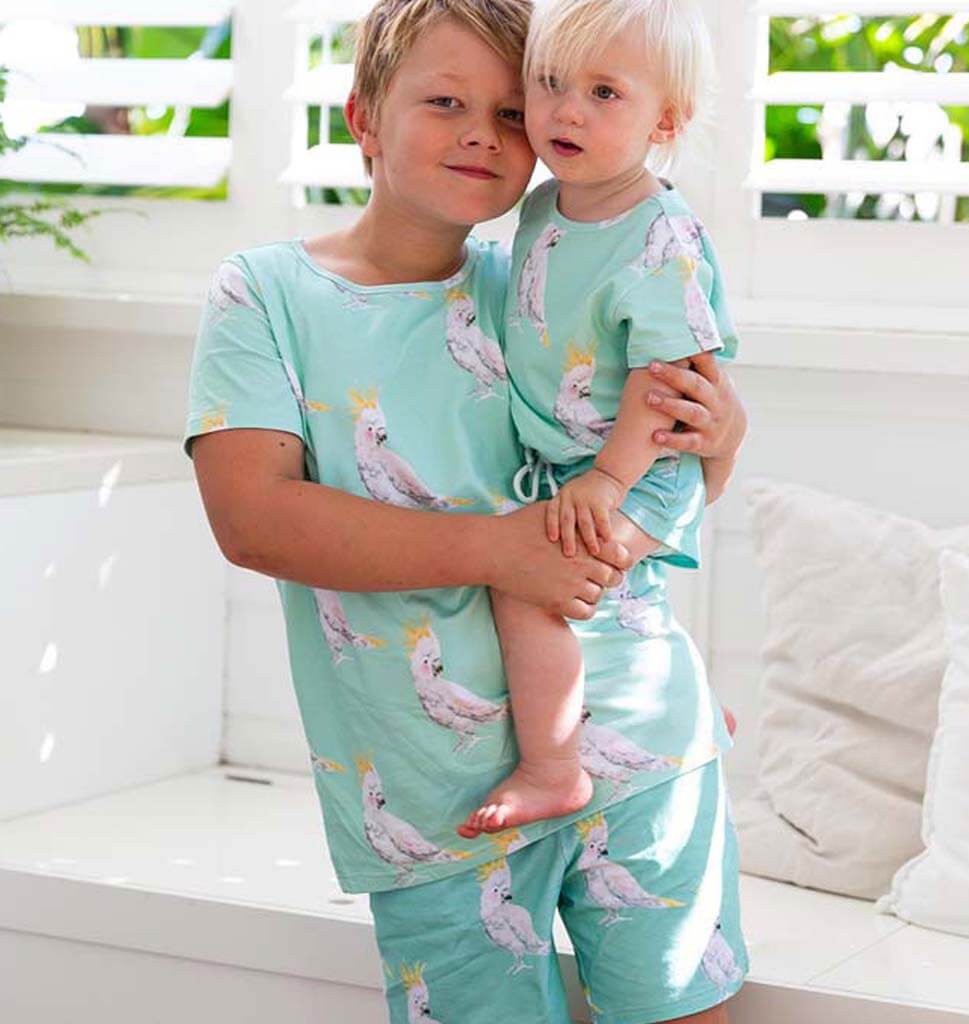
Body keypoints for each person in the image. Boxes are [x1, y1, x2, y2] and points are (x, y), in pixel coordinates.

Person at [184, 0, 749, 1019]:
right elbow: (253, 518)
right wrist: (502, 552)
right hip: (433, 792)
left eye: (508, 109)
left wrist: (724, 434)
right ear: (363, 116)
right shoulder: (264, 293)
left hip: (635, 739)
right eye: (445, 102)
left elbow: (664, 471)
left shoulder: (558, 273)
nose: (485, 133)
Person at [459, 0, 740, 841]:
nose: (565, 111)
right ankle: (685, 717)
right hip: (580, 464)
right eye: (548, 84)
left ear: (668, 118)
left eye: (605, 93)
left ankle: (554, 769)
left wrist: (610, 479)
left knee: (530, 589)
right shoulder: (546, 205)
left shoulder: (660, 236)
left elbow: (669, 381)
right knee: (615, 606)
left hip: (642, 469)